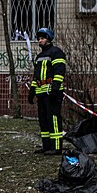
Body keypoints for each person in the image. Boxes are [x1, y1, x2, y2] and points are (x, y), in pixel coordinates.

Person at [28, 27, 66, 155]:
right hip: (41, 92)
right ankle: (46, 146)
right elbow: (36, 75)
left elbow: (59, 72)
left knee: (53, 119)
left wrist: (55, 89)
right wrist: (32, 90)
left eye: (42, 38)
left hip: (52, 92)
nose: (40, 41)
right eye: (39, 38)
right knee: (43, 120)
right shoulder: (39, 56)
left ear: (49, 39)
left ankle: (56, 147)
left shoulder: (56, 53)